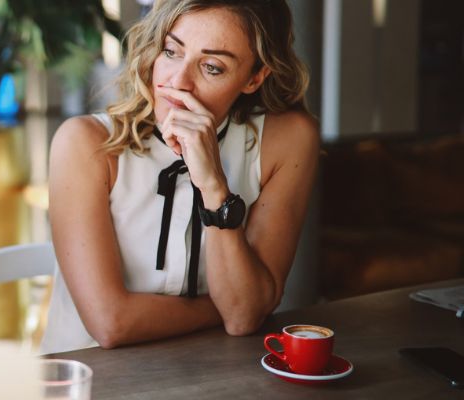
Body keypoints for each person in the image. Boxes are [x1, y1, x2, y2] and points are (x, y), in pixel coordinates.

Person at [41, 0, 319, 354]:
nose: (178, 82)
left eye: (212, 67)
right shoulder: (85, 143)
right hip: (89, 379)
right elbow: (111, 324)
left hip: (218, 375)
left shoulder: (287, 141)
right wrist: (228, 309)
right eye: (171, 51)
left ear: (254, 78)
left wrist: (214, 186)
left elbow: (245, 316)